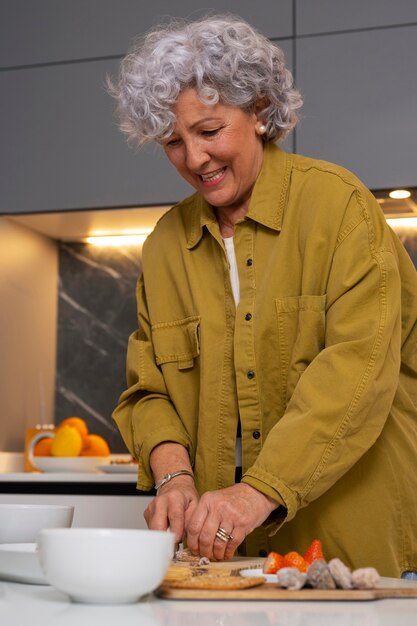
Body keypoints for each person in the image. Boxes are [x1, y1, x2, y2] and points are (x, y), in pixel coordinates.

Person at [110, 14, 417, 578]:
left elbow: (358, 372)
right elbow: (149, 390)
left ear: (258, 112)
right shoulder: (162, 247)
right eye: (173, 142)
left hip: (356, 546)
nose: (194, 159)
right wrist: (173, 473)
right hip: (226, 555)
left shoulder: (340, 208)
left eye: (208, 132)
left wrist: (255, 494)